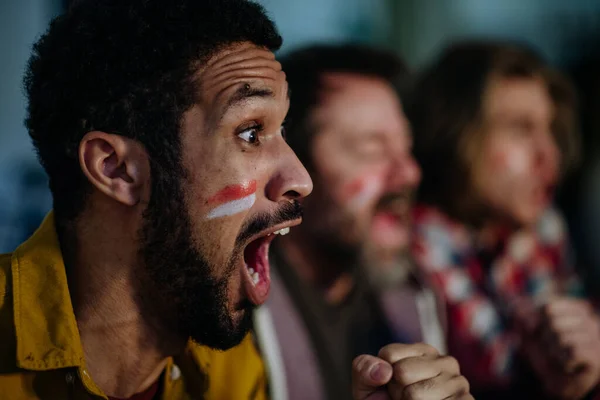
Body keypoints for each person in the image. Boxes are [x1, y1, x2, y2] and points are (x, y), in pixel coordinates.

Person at [0, 1, 473, 399]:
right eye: (251, 132)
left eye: (282, 130)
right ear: (117, 169)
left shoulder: (231, 370)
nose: (300, 179)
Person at [408, 40, 600, 399]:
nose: (550, 154)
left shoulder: (544, 238)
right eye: (519, 129)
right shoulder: (406, 258)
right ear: (455, 133)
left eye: (551, 130)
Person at [253, 44, 447, 400]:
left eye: (406, 148)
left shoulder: (417, 297)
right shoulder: (233, 318)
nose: (409, 173)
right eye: (371, 149)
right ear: (293, 167)